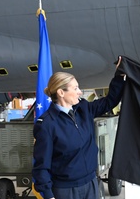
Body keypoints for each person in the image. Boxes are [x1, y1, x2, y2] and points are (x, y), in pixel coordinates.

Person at [32, 56, 125, 199]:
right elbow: (41, 165)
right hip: (65, 191)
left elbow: (109, 101)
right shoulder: (47, 124)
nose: (80, 92)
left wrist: (119, 76)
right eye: (75, 88)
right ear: (61, 92)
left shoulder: (84, 109)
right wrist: (49, 195)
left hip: (91, 183)